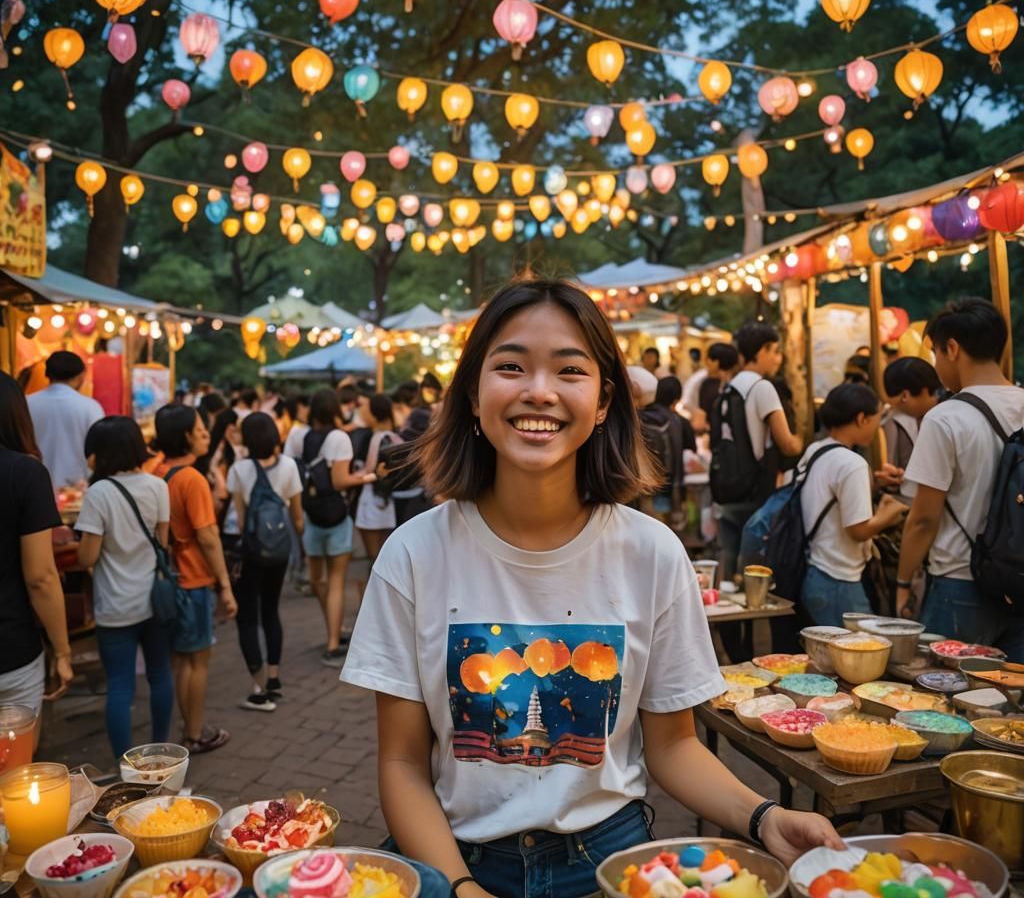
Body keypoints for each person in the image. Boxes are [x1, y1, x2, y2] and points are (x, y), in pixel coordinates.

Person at [339, 278, 842, 898]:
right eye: (511, 366)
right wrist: (463, 887)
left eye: (569, 370)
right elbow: (401, 763)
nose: (539, 391)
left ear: (603, 401)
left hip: (609, 860)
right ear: (473, 392)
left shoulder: (652, 553)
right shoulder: (413, 554)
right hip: (454, 854)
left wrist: (765, 817)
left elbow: (674, 746)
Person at [898, 299, 1024, 660]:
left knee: (944, 703)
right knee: (1009, 711)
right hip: (1020, 580)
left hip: (960, 585)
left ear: (952, 348)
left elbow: (923, 519)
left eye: (936, 353)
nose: (937, 366)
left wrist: (904, 583)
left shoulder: (945, 418)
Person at [75, 417, 173, 759]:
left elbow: (87, 555)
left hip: (115, 605)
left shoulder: (99, 493)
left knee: (120, 686)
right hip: (156, 600)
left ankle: (124, 765)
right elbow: (164, 543)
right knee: (160, 674)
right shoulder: (157, 486)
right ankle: (162, 754)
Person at [154, 404, 238, 754]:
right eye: (201, 428)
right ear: (187, 435)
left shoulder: (157, 471)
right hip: (193, 578)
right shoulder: (192, 479)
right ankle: (193, 734)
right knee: (197, 661)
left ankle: (187, 727)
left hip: (169, 578)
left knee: (180, 660)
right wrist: (225, 584)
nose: (206, 434)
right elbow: (207, 536)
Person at [797, 385, 908, 628]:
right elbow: (858, 531)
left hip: (814, 572)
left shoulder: (816, 450)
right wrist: (891, 513)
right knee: (861, 658)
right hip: (840, 580)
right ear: (861, 419)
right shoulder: (852, 464)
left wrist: (874, 484)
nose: (878, 426)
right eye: (877, 419)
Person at [0, 372, 72, 722]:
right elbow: (40, 577)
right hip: (9, 648)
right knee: (14, 771)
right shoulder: (24, 473)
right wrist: (62, 650)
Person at [714, 322, 803, 581]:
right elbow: (786, 442)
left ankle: (725, 620)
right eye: (775, 351)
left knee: (728, 566)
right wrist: (804, 442)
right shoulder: (762, 387)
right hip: (755, 491)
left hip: (728, 488)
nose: (778, 359)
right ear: (762, 350)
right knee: (753, 569)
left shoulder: (729, 386)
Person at [227, 413, 303, 712]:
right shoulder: (288, 466)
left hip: (252, 551)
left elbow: (242, 519)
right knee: (271, 610)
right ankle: (274, 678)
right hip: (280, 551)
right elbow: (297, 517)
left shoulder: (239, 469)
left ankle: (258, 689)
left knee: (247, 617)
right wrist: (298, 547)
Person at [302, 389, 374, 668]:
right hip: (335, 515)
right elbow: (340, 481)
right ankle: (333, 642)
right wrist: (367, 477)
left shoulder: (304, 436)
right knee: (335, 581)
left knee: (317, 579)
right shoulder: (339, 438)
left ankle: (332, 627)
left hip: (311, 514)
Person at [26, 351, 105, 488]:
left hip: (33, 485)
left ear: (47, 375)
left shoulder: (26, 404)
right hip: (77, 488)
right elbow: (101, 450)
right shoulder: (91, 407)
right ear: (81, 376)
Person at [879, 358, 941, 500]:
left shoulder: (943, 420)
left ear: (906, 396)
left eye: (897, 404)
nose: (896, 410)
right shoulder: (926, 416)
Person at [641, 376, 696, 529]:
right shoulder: (679, 422)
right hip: (670, 488)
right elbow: (690, 454)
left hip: (641, 488)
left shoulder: (640, 417)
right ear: (676, 398)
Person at [354, 395, 403, 561]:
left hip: (371, 500)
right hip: (392, 501)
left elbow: (363, 470)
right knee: (386, 555)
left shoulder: (370, 438)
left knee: (373, 557)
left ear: (374, 414)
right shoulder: (399, 436)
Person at [282, 394, 311, 459]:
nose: (309, 408)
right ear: (299, 407)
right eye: (305, 405)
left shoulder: (299, 427)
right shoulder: (299, 430)